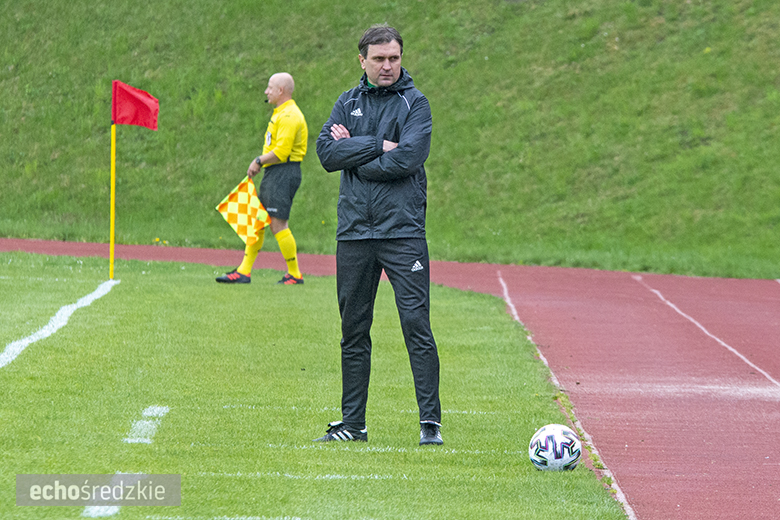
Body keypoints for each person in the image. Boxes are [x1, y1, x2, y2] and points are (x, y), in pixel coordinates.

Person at [314, 25, 442, 445]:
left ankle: (430, 425)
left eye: (394, 58)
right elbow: (328, 154)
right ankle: (354, 425)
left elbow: (408, 158)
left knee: (415, 325)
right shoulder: (346, 102)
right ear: (362, 61)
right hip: (354, 233)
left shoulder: (416, 103)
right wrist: (379, 144)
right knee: (353, 330)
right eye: (379, 59)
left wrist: (360, 153)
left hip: (403, 233)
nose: (388, 66)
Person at [217, 72, 308, 285]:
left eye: (269, 87)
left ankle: (294, 274)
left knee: (278, 224)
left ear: (281, 91)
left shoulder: (289, 116)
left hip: (283, 172)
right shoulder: (282, 112)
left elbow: (282, 152)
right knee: (257, 221)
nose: (266, 91)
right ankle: (243, 271)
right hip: (276, 173)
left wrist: (258, 160)